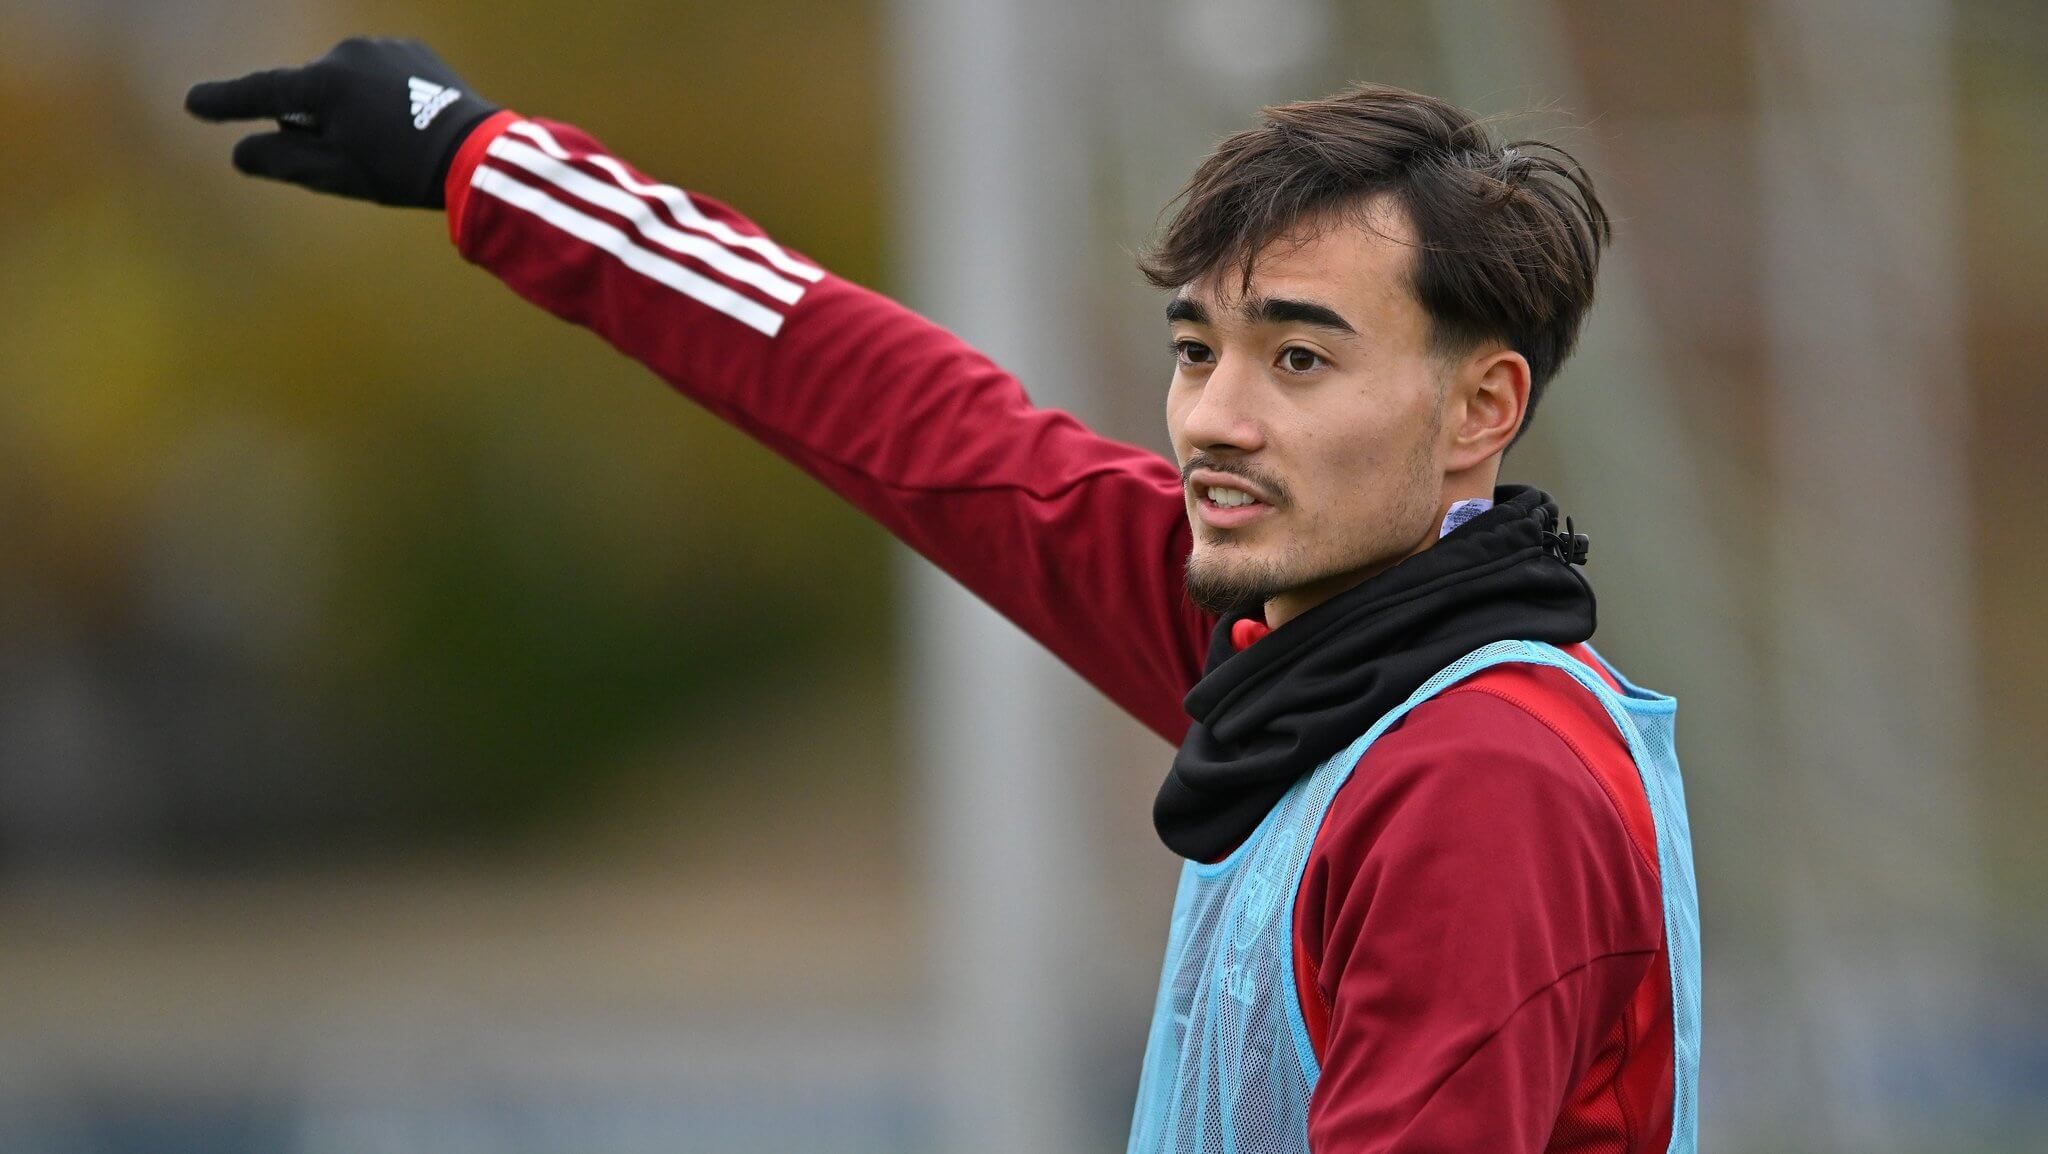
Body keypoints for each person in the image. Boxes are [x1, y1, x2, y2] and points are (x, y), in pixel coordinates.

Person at [185, 35, 1701, 1154]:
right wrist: (485, 161)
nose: (1215, 417)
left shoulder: (1482, 779)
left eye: (1299, 357)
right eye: (1195, 350)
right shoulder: (1297, 643)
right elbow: (896, 409)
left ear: (1481, 407)